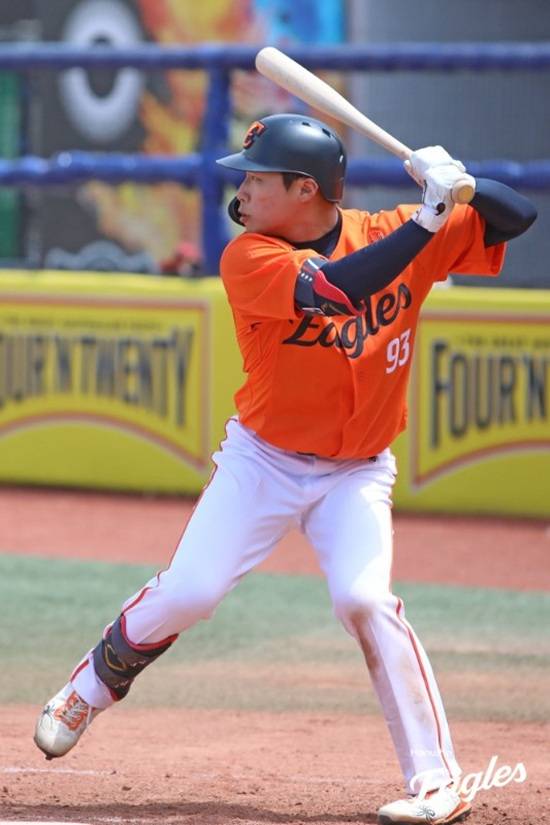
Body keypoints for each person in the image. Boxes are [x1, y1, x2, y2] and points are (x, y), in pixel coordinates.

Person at [34, 113, 536, 825]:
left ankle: (437, 781)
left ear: (305, 189)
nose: (241, 191)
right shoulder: (250, 256)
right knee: (192, 589)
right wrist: (429, 220)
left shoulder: (396, 227)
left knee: (365, 599)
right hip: (263, 459)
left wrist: (464, 184)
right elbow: (336, 290)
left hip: (357, 470)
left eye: (258, 180)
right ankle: (89, 686)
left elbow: (519, 217)